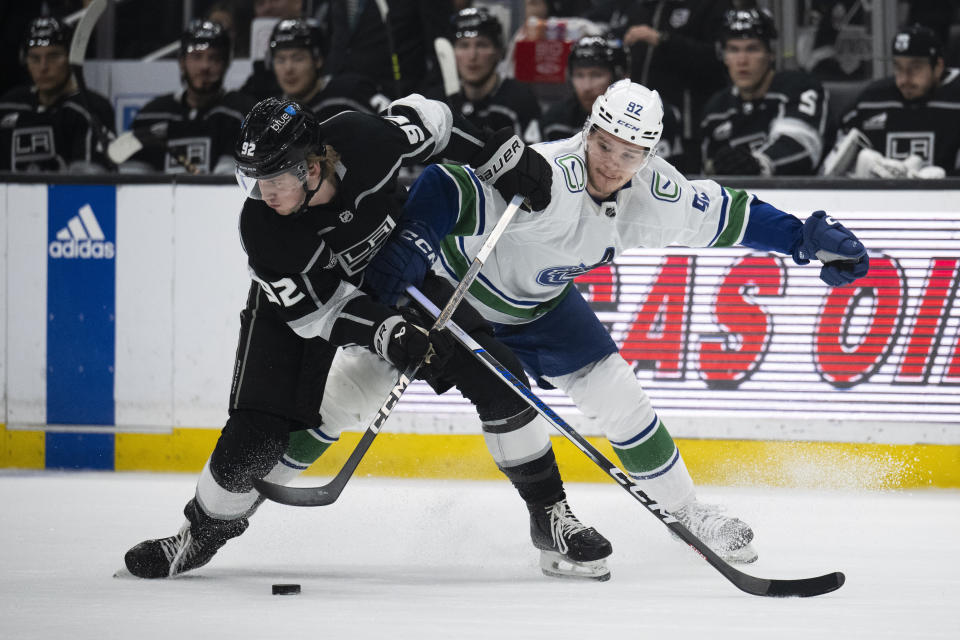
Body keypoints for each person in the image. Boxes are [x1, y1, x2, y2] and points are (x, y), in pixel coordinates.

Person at [360, 79, 871, 564]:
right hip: (454, 294)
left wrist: (801, 238)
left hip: (541, 305)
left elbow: (727, 215)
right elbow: (448, 185)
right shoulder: (547, 174)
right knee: (353, 389)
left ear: (648, 156)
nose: (612, 165)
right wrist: (417, 237)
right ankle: (282, 464)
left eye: (630, 155)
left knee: (618, 393)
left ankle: (687, 514)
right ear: (588, 130)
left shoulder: (655, 191)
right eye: (604, 146)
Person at [123, 95, 612, 581]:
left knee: (499, 375)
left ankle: (550, 519)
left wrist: (499, 157)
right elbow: (321, 312)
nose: (262, 192)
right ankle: (201, 533)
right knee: (259, 435)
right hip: (295, 310)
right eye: (253, 178)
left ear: (312, 166)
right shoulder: (264, 228)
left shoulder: (365, 140)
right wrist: (387, 331)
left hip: (396, 275)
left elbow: (435, 122)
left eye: (273, 177)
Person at [595, 0, 731, 172]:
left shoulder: (710, 6)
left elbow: (719, 58)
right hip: (640, 126)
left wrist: (663, 40)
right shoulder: (643, 6)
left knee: (682, 184)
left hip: (689, 127)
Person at [700, 8, 828, 176]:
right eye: (733, 49)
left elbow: (802, 144)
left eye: (752, 49)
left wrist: (760, 164)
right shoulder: (716, 109)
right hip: (739, 200)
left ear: (771, 53)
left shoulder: (798, 87)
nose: (742, 61)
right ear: (723, 56)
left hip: (799, 198)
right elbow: (708, 173)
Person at [117, 20, 255, 175]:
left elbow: (234, 179)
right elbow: (130, 180)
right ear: (182, 62)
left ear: (226, 65)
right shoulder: (151, 115)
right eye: (197, 56)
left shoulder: (241, 113)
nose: (205, 66)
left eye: (214, 58)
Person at [831, 24, 960, 178]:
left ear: (938, 66)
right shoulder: (872, 99)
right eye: (898, 67)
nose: (904, 78)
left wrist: (946, 177)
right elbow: (832, 163)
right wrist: (856, 168)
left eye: (915, 68)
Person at [0, 15, 114, 173]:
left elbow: (91, 183)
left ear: (71, 58)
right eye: (34, 58)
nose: (43, 67)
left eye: (53, 56)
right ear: (24, 60)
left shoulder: (90, 108)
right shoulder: (9, 105)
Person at [541, 35, 682, 161]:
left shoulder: (655, 119)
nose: (587, 86)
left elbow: (669, 179)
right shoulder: (554, 121)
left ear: (621, 77)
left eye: (596, 75)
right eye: (579, 75)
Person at [447, 7, 543, 144]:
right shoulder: (439, 100)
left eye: (482, 45)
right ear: (452, 53)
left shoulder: (520, 100)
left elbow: (535, 160)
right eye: (464, 45)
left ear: (499, 52)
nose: (472, 56)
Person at [325, 0, 453, 99]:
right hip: (344, 95)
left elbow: (441, 48)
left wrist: (420, 100)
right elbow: (338, 37)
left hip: (398, 100)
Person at [268, 17, 389, 121]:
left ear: (318, 60)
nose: (288, 69)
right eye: (280, 60)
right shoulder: (272, 112)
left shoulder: (350, 94)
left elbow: (396, 130)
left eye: (298, 58)